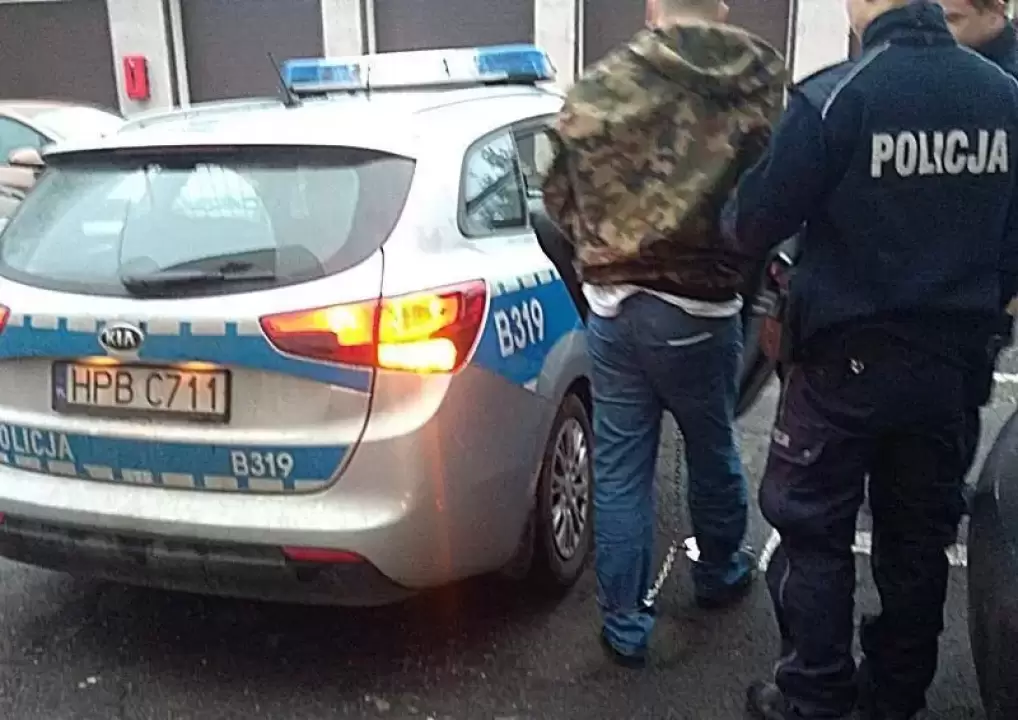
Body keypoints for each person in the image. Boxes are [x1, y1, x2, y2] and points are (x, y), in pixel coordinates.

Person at [721, 1, 1018, 718]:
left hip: (842, 366)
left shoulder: (836, 98)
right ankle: (897, 690)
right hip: (952, 366)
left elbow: (750, 223)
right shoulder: (1004, 98)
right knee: (918, 536)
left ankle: (814, 692)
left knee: (813, 528)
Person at [541, 0, 786, 667]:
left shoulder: (596, 87)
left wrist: (605, 247)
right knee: (710, 445)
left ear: (653, 7)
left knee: (622, 467)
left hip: (614, 306)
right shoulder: (761, 76)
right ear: (721, 5)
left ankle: (624, 624)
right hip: (702, 308)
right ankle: (718, 572)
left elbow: (557, 197)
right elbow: (779, 190)